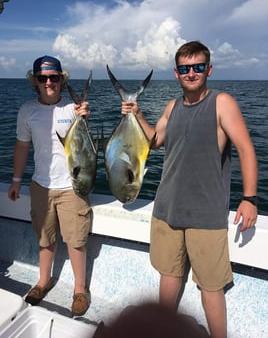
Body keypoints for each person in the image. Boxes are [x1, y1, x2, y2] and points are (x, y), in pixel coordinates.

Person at [121, 41, 258, 338]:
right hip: (166, 208)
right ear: (176, 73)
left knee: (211, 286)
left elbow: (247, 149)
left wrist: (249, 199)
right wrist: (137, 114)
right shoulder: (172, 106)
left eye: (198, 67)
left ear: (208, 69)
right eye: (185, 68)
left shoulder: (222, 103)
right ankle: (161, 331)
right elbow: (155, 141)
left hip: (206, 215)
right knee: (168, 275)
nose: (191, 73)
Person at [8, 55, 92, 316]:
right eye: (42, 78)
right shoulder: (27, 111)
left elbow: (85, 147)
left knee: (76, 241)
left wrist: (85, 116)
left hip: (72, 186)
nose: (48, 82)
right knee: (45, 240)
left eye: (54, 77)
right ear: (35, 81)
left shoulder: (72, 108)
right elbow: (22, 146)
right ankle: (44, 281)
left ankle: (80, 289)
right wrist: (16, 180)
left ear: (61, 79)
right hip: (41, 185)